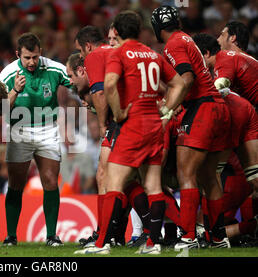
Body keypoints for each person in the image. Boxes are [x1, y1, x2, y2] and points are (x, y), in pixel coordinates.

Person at [75, 10, 185, 255]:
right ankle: (152, 244)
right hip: (155, 125)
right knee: (153, 185)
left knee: (112, 183)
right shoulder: (153, 54)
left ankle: (101, 244)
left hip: (132, 125)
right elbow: (179, 84)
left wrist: (119, 112)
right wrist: (167, 109)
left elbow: (110, 84)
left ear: (117, 31)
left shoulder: (119, 53)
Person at [151, 5, 232, 249]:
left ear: (156, 27)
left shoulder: (173, 44)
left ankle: (188, 237)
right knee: (209, 177)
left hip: (201, 108)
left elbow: (186, 79)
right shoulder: (186, 38)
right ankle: (218, 238)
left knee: (187, 174)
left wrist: (166, 110)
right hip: (217, 107)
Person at [73, 26, 151, 248]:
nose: (81, 56)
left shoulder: (96, 55)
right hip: (143, 115)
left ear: (88, 46)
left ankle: (108, 236)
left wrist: (102, 125)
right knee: (131, 179)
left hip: (122, 120)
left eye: (80, 51)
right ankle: (115, 234)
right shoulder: (118, 51)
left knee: (107, 177)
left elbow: (99, 91)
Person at [0, 32, 72, 246]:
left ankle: (51, 236)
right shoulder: (8, 73)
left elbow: (77, 83)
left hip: (48, 129)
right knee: (16, 183)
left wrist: (87, 96)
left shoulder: (54, 68)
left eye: (35, 57)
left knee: (50, 181)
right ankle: (11, 236)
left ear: (41, 54)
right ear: (17, 55)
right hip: (18, 130)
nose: (31, 62)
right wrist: (14, 91)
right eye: (27, 58)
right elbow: (1, 110)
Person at [192, 33, 258, 220]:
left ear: (205, 54)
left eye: (195, 56)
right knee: (254, 175)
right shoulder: (235, 57)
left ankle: (212, 231)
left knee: (212, 174)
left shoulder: (224, 59)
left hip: (240, 113)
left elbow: (221, 86)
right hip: (249, 111)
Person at [213, 23, 258, 107]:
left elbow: (220, 87)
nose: (218, 40)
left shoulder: (229, 56)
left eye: (222, 35)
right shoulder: (249, 60)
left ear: (232, 38)